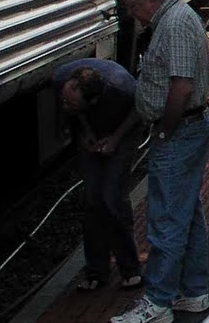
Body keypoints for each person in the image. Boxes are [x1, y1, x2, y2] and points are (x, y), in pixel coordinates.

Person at [110, 0, 209, 323]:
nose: (130, 14)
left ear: (146, 0)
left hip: (181, 130)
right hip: (186, 128)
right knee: (187, 210)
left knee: (167, 216)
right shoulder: (176, 19)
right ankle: (193, 289)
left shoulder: (174, 25)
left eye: (131, 6)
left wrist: (166, 131)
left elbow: (182, 87)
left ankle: (157, 300)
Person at [53, 59, 142, 292]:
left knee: (112, 198)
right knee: (92, 200)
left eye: (71, 102)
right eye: (65, 99)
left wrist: (114, 139)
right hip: (91, 128)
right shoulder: (62, 79)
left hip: (122, 131)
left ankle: (130, 268)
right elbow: (74, 113)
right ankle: (96, 270)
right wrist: (87, 133)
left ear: (93, 100)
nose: (65, 104)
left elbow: (138, 111)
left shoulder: (123, 88)